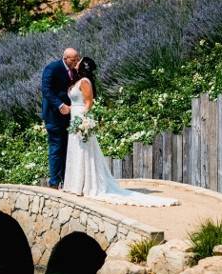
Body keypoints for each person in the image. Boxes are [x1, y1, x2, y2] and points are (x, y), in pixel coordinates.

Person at [62, 57, 178, 207]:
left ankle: (84, 185)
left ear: (83, 67)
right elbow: (77, 102)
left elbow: (89, 102)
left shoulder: (85, 82)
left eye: (79, 61)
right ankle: (75, 184)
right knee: (76, 150)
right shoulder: (78, 81)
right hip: (74, 118)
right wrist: (70, 109)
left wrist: (83, 120)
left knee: (84, 151)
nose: (76, 63)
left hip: (80, 119)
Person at [41, 48, 80, 188]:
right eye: (73, 60)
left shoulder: (74, 70)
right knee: (56, 148)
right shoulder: (52, 68)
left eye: (77, 59)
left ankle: (65, 180)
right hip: (53, 116)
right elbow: (46, 90)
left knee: (66, 147)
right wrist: (60, 105)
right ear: (65, 58)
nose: (76, 62)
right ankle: (54, 182)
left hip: (69, 116)